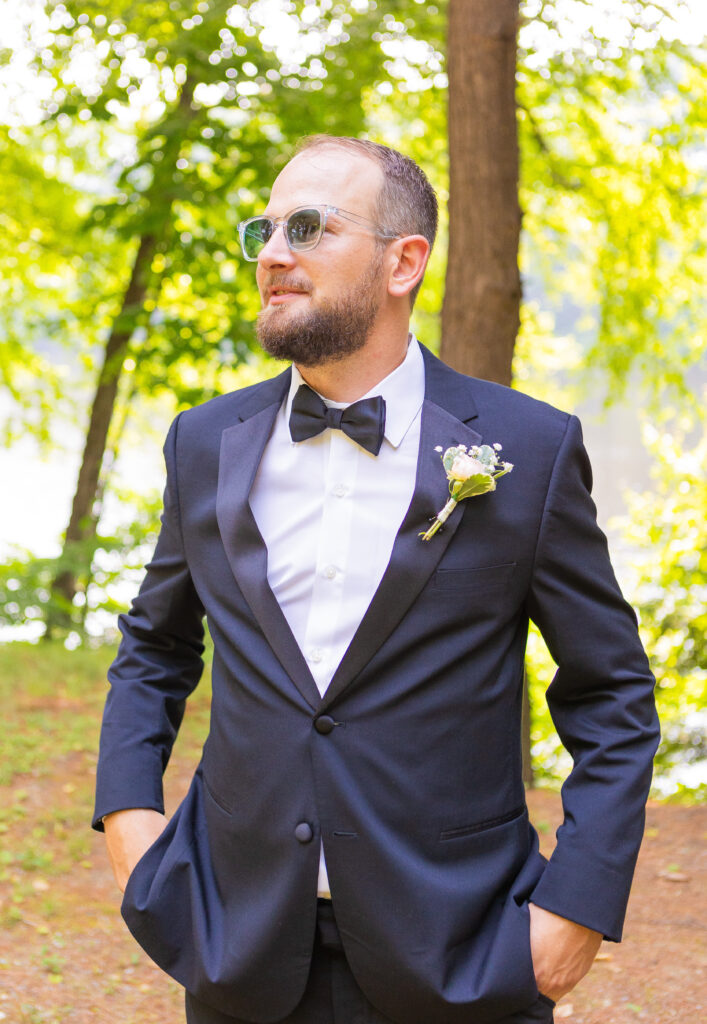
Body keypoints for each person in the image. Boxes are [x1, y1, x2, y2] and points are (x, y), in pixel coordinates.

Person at [93, 136, 659, 1024]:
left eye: (310, 227)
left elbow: (611, 693)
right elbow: (156, 646)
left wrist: (578, 902)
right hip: (236, 945)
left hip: (463, 952)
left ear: (404, 261)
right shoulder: (203, 444)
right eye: (266, 229)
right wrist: (128, 817)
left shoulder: (529, 451)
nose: (273, 253)